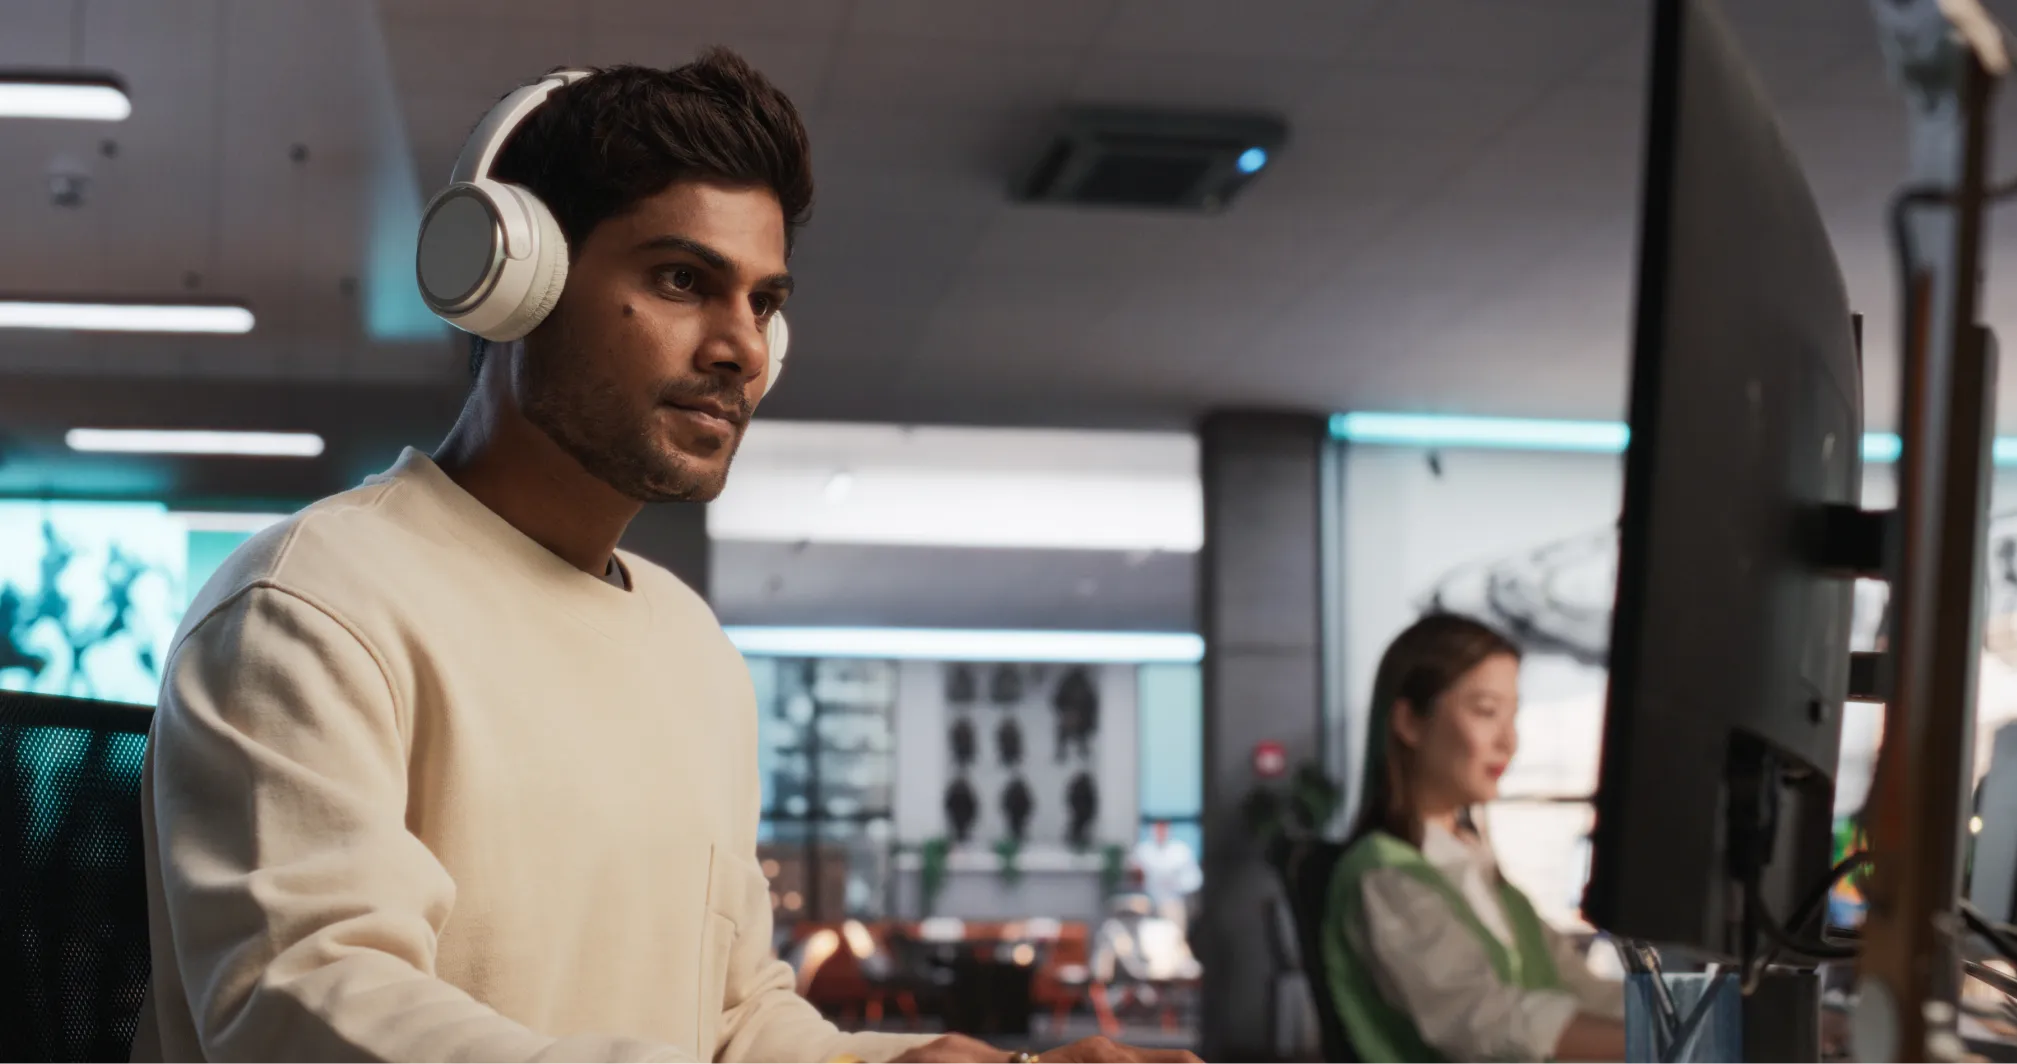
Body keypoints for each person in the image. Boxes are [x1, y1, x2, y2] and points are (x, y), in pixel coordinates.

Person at [132, 48, 1197, 1064]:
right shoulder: (313, 607)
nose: (742, 346)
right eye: (685, 278)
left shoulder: (689, 644)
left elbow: (732, 1016)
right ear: (516, 278)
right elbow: (311, 1014)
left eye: (765, 301)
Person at [1322, 613, 1628, 1063]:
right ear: (1409, 722)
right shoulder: (1385, 878)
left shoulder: (1477, 867)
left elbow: (1577, 986)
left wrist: (1707, 1017)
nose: (1509, 741)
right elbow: (1483, 1020)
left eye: (1513, 715)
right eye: (1486, 712)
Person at [1127, 820, 1203, 930]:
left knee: (1173, 939)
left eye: (1163, 829)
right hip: (1148, 904)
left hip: (1172, 903)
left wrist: (1175, 883)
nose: (1160, 832)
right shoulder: (1143, 851)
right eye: (1157, 829)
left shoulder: (1180, 851)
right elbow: (1132, 876)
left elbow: (1195, 880)